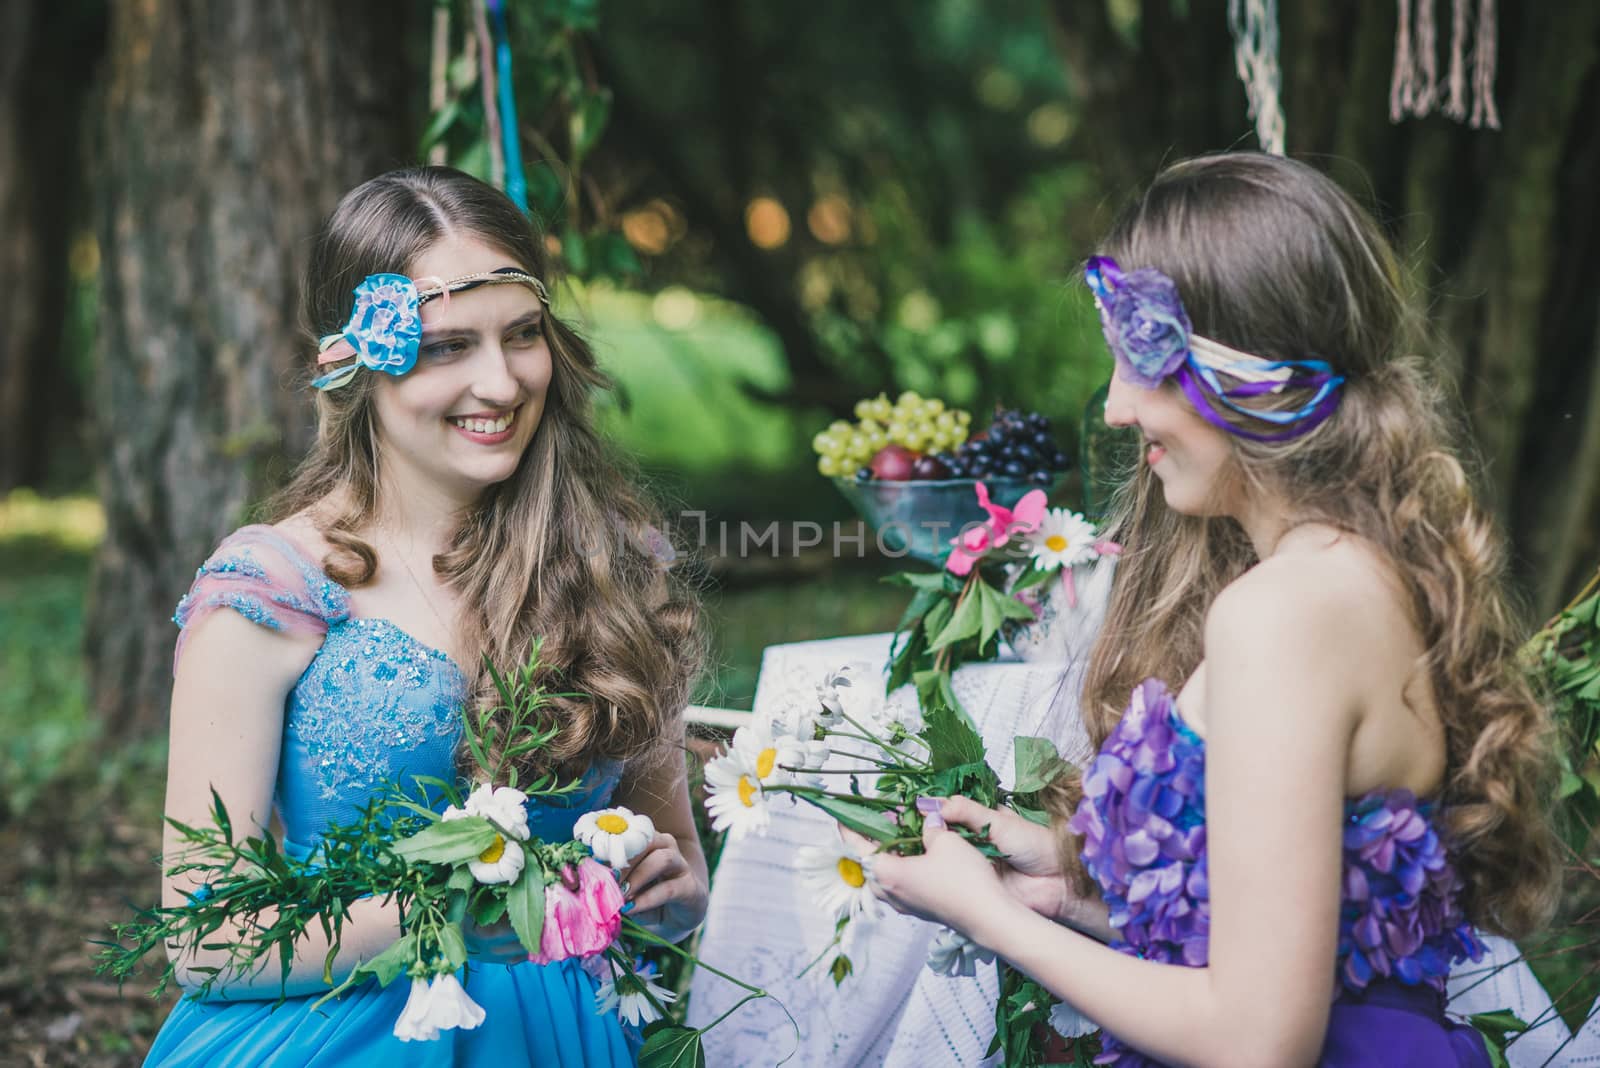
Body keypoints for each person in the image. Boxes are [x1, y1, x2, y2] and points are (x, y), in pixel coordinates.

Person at [861, 152, 1561, 1066]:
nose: (1115, 409)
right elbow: (1302, 936)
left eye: (1136, 366)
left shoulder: (1281, 613)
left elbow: (1259, 1037)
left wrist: (988, 917)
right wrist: (1065, 897)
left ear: (1234, 375)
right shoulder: (1361, 572)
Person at [144, 166, 707, 1066]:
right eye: (448, 347)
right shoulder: (269, 589)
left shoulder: (614, 565)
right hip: (344, 1032)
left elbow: (679, 866)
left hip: (562, 1033)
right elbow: (206, 940)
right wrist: (446, 917)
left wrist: (667, 894)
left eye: (523, 336)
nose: (502, 382)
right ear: (354, 363)